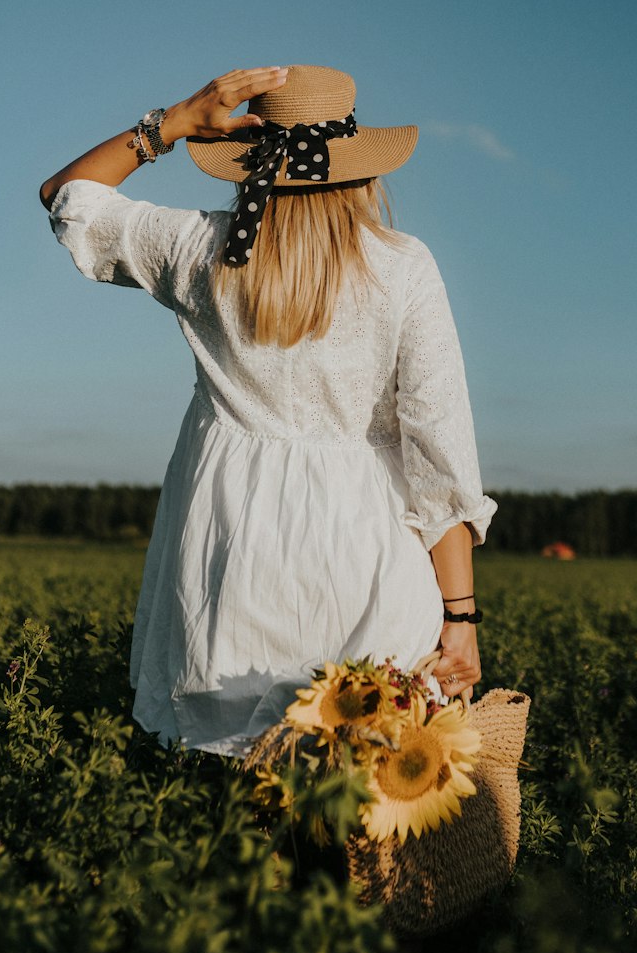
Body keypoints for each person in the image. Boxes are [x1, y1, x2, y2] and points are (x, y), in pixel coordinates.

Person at [40, 65, 496, 758]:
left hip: (230, 555)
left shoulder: (201, 248)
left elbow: (66, 197)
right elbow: (440, 451)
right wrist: (460, 616)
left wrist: (172, 124)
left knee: (226, 805)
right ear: (362, 169)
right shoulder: (404, 268)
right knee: (363, 805)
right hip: (369, 553)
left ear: (251, 161)